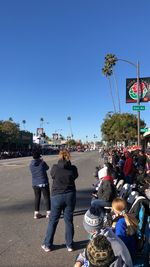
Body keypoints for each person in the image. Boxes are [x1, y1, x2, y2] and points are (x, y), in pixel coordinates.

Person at [41, 149, 78, 252]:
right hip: (70, 195)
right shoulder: (73, 168)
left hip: (57, 195)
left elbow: (52, 176)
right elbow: (75, 176)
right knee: (69, 221)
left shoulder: (55, 167)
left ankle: (48, 244)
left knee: (53, 220)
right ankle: (69, 245)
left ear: (59, 156)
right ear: (68, 156)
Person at [29, 150, 50, 219]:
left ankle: (36, 213)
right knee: (46, 197)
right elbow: (47, 168)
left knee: (37, 197)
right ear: (39, 157)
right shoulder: (42, 163)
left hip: (35, 183)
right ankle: (48, 213)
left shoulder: (31, 164)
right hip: (44, 182)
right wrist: (42, 161)